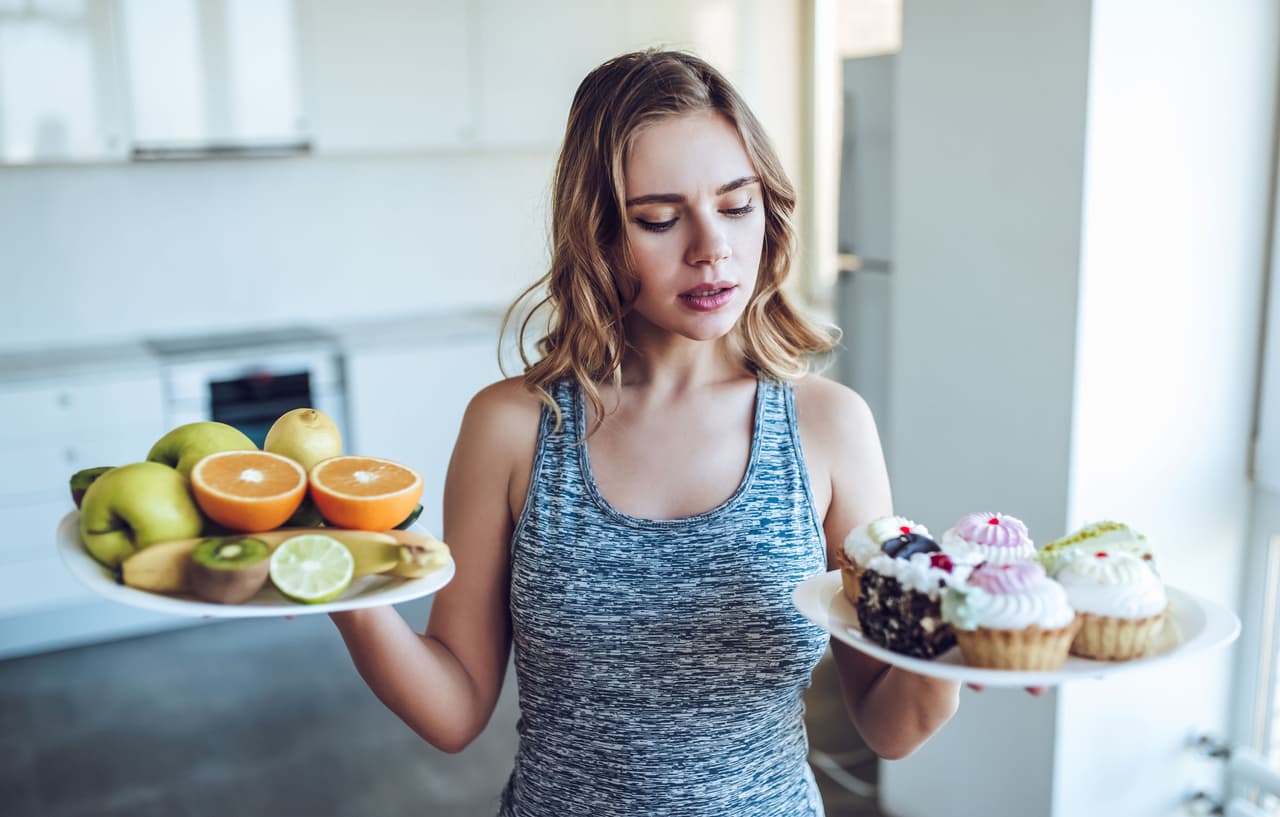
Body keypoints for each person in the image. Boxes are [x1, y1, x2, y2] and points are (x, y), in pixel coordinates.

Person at [330, 49, 960, 816]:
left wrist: (955, 643)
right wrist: (341, 587)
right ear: (596, 232)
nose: (711, 247)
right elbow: (455, 707)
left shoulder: (829, 427)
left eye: (736, 205)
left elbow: (889, 725)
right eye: (659, 218)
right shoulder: (514, 428)